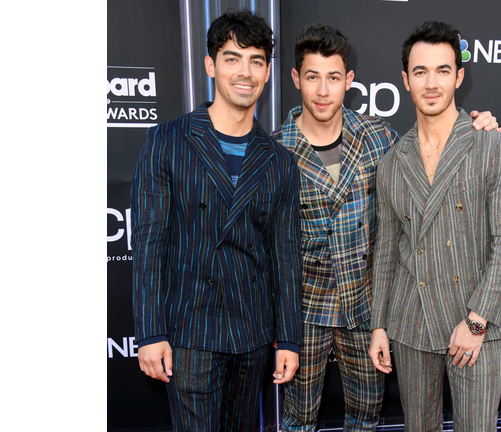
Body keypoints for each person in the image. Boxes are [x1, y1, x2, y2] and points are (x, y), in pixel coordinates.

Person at [272, 24, 501, 432]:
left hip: (367, 309)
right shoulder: (275, 151)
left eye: (332, 77)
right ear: (295, 79)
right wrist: (277, 325)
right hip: (304, 313)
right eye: (312, 77)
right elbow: (267, 245)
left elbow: (433, 147)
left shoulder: (379, 139)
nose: (323, 91)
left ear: (349, 81)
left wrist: (481, 127)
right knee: (297, 421)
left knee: (365, 418)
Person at [130, 10, 302, 431]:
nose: (244, 72)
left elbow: (285, 254)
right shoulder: (168, 140)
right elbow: (149, 242)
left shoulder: (279, 160)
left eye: (256, 61)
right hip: (190, 331)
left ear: (266, 72)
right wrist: (151, 333)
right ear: (210, 66)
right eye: (232, 58)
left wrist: (290, 339)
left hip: (252, 333)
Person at [368, 21, 501, 432]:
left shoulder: (491, 145)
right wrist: (379, 326)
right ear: (405, 80)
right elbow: (386, 248)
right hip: (410, 323)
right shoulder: (392, 161)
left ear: (459, 75)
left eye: (442, 70)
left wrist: (477, 321)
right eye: (420, 71)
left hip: (477, 322)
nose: (432, 82)